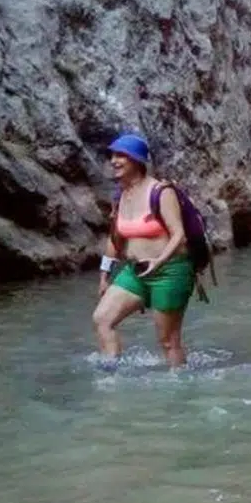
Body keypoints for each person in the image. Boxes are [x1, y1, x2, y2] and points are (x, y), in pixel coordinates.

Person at [92, 133, 197, 368]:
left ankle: (180, 387)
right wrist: (105, 274)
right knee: (102, 319)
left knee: (168, 341)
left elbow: (179, 235)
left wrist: (157, 262)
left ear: (137, 160)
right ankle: (111, 377)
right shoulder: (120, 195)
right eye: (113, 156)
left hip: (169, 271)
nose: (114, 161)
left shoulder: (161, 192)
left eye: (121, 156)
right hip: (134, 271)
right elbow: (115, 238)